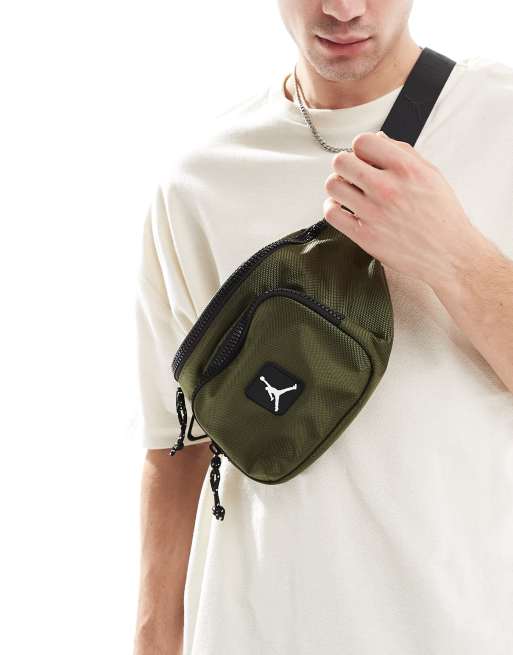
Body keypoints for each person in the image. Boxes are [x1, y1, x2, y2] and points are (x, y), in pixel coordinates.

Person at [132, 1, 513, 653]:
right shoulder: (199, 182)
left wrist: (454, 257)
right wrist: (151, 641)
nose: (342, 8)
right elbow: (176, 447)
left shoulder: (499, 122)